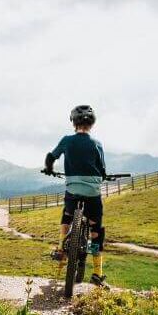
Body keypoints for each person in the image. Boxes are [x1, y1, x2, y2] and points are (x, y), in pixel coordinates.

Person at [43, 104, 108, 285]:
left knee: (67, 216)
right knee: (96, 229)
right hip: (92, 195)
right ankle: (97, 273)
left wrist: (49, 169)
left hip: (73, 192)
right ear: (92, 124)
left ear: (73, 122)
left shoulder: (66, 140)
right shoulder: (97, 144)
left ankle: (61, 249)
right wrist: (102, 176)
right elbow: (102, 169)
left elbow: (50, 157)